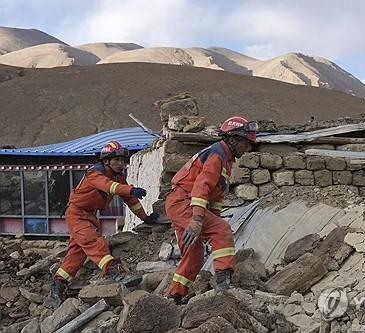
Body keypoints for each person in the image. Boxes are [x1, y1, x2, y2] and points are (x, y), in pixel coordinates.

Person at [44, 140, 158, 309]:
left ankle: (56, 288)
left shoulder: (118, 177)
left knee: (76, 254)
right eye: (117, 160)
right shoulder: (95, 174)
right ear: (106, 161)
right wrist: (130, 189)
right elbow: (110, 187)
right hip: (77, 214)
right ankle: (114, 272)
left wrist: (145, 217)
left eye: (122, 160)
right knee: (93, 241)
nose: (121, 164)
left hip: (89, 215)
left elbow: (131, 200)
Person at [164, 116, 258, 303]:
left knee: (194, 255)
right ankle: (223, 282)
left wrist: (208, 223)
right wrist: (198, 220)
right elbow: (201, 187)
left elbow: (215, 196)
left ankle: (173, 296)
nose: (247, 149)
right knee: (222, 230)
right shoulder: (217, 154)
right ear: (233, 139)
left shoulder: (225, 159)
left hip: (182, 203)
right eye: (245, 144)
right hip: (184, 202)